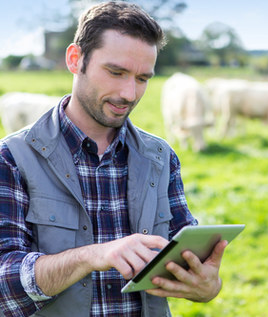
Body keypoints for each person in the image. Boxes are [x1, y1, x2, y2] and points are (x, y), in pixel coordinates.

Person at [0, 2, 228, 316]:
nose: (129, 93)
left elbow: (188, 259)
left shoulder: (162, 158)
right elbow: (3, 284)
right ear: (75, 59)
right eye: (116, 72)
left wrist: (207, 286)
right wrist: (93, 256)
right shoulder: (12, 158)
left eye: (142, 79)